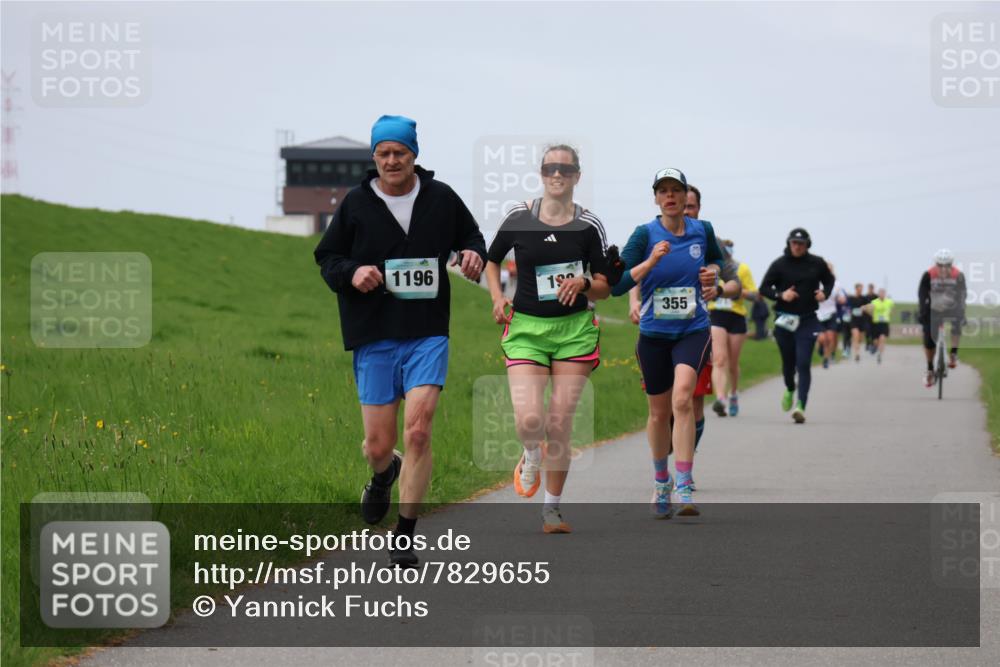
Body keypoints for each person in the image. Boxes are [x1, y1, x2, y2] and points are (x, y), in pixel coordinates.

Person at [314, 115, 486, 567]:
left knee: (419, 429)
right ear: (374, 157)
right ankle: (383, 471)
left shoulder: (441, 198)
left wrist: (471, 254)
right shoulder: (355, 204)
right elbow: (327, 257)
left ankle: (405, 533)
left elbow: (471, 237)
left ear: (415, 156)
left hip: (427, 331)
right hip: (374, 334)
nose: (392, 160)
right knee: (377, 444)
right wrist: (352, 272)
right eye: (384, 153)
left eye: (400, 153)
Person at [485, 145, 611, 534]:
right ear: (541, 173)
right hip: (526, 330)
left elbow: (607, 285)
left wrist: (586, 282)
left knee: (559, 422)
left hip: (573, 332)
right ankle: (529, 455)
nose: (558, 174)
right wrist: (497, 297)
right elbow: (492, 260)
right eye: (551, 168)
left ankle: (552, 509)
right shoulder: (519, 216)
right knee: (530, 419)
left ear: (577, 176)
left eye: (566, 169)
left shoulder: (589, 225)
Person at [613, 168, 727, 517]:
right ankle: (661, 480)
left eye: (675, 190)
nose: (670, 196)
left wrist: (713, 275)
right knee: (658, 413)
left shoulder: (701, 230)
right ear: (656, 198)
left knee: (683, 399)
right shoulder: (643, 234)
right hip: (653, 335)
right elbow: (617, 283)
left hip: (692, 329)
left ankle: (684, 483)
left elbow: (719, 262)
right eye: (663, 191)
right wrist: (651, 261)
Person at [759, 228, 834, 424]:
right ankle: (790, 388)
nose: (797, 246)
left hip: (808, 319)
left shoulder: (817, 263)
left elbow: (829, 280)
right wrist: (781, 295)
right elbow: (764, 288)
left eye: (801, 243)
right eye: (794, 243)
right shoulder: (779, 264)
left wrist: (824, 293)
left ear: (807, 245)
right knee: (788, 364)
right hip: (784, 320)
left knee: (803, 362)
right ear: (789, 243)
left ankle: (800, 406)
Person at [708, 239, 757, 417]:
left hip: (737, 317)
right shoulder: (711, 268)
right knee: (719, 359)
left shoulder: (741, 269)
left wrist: (737, 291)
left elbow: (754, 295)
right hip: (717, 315)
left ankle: (734, 393)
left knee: (733, 363)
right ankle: (720, 398)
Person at [918, 248, 967, 387]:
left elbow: (962, 295)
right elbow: (922, 295)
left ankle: (953, 354)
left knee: (957, 323)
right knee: (928, 339)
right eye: (940, 265)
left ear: (952, 264)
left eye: (947, 265)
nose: (944, 268)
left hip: (952, 307)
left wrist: (962, 312)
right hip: (933, 308)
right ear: (936, 264)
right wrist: (922, 312)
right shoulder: (928, 275)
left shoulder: (958, 275)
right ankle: (929, 369)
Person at [815, 263, 846, 369]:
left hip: (831, 313)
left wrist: (842, 300)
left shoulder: (837, 284)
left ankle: (826, 359)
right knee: (822, 339)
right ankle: (820, 347)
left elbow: (842, 297)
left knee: (830, 337)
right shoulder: (816, 282)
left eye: (829, 270)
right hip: (818, 314)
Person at [865, 287, 894, 364]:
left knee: (882, 339)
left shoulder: (889, 302)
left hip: (884, 323)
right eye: (880, 293)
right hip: (876, 323)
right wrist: (871, 314)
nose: (882, 295)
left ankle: (880, 355)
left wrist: (890, 313)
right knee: (876, 341)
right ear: (878, 294)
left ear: (885, 294)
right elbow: (867, 308)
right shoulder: (874, 302)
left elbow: (892, 309)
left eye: (883, 293)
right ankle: (875, 346)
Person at [845, 283, 869, 362]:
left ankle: (853, 344)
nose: (860, 290)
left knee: (860, 338)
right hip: (854, 320)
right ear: (856, 289)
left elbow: (870, 306)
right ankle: (857, 354)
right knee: (855, 335)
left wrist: (865, 307)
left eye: (861, 289)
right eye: (859, 289)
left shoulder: (864, 298)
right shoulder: (851, 298)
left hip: (862, 320)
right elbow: (846, 306)